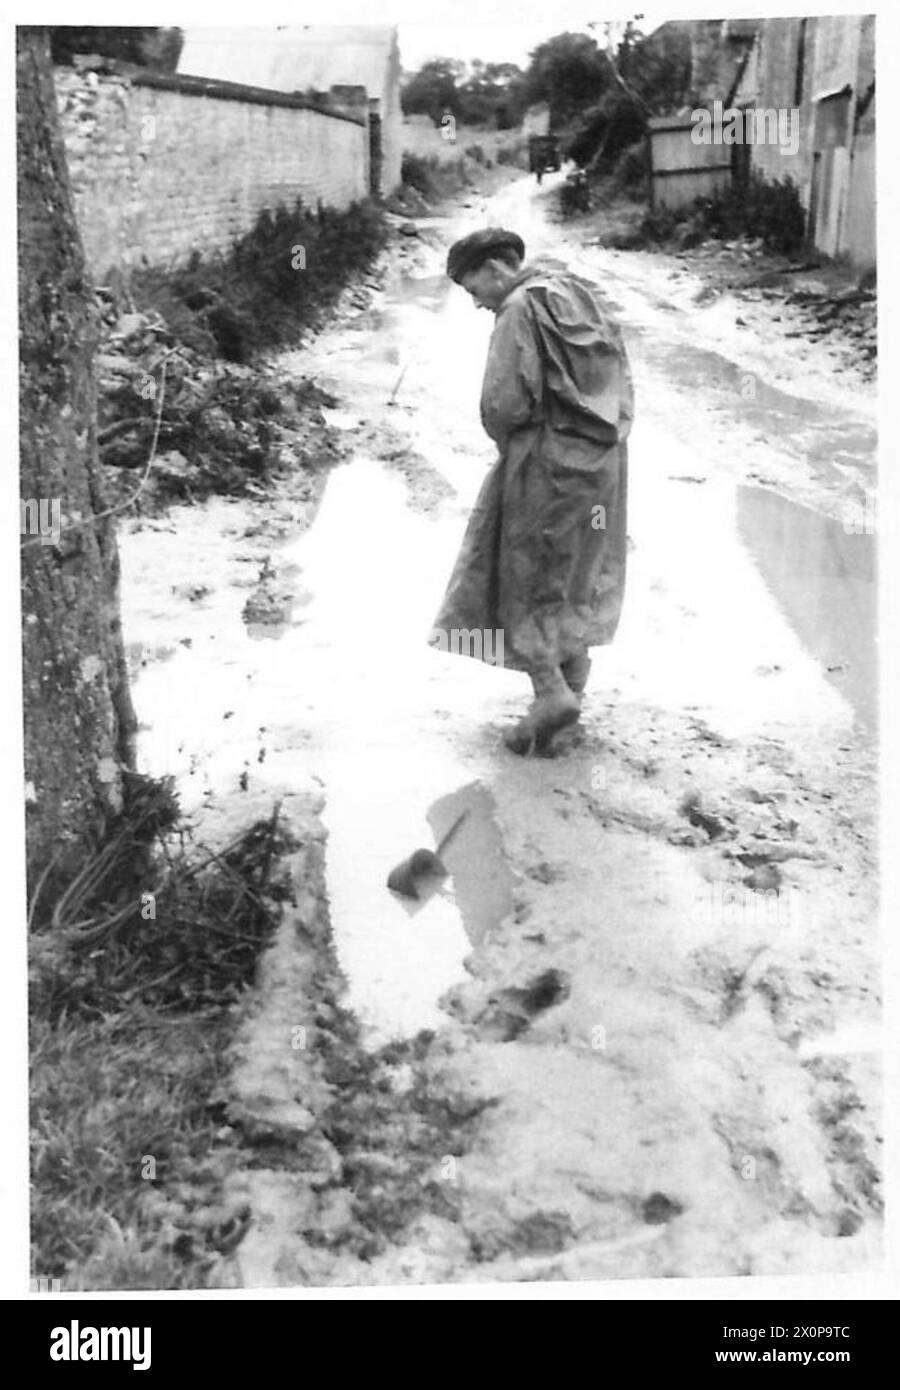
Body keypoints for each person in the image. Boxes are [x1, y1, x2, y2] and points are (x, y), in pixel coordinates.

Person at [430, 226, 633, 754]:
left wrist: (514, 447)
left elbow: (505, 403)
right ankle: (571, 704)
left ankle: (550, 694)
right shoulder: (575, 291)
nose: (476, 303)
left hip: (546, 462)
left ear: (496, 269)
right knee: (578, 574)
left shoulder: (518, 308)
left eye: (474, 289)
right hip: (603, 463)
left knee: (525, 574)